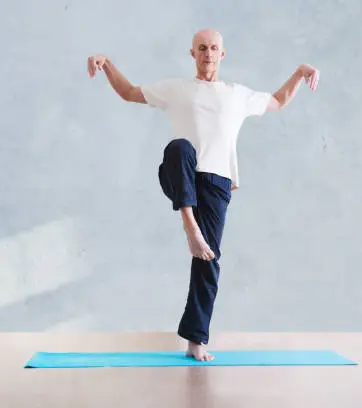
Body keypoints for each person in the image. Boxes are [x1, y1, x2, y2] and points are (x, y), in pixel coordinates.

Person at [87, 28, 319, 361]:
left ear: (222, 54)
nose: (207, 53)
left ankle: (196, 339)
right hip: (179, 172)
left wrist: (300, 72)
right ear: (192, 53)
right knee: (180, 147)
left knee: (209, 259)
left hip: (216, 182)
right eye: (201, 48)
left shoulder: (237, 94)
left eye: (213, 48)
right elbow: (128, 92)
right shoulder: (177, 89)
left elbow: (278, 101)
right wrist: (106, 63)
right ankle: (189, 225)